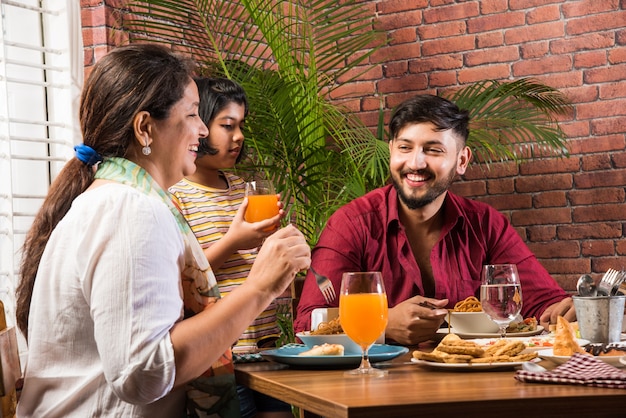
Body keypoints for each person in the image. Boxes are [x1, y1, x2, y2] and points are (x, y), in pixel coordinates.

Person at [15, 44, 310, 418]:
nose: (202, 130)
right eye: (191, 115)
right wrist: (261, 286)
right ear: (145, 128)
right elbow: (143, 375)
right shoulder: (129, 209)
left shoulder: (115, 200)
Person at [293, 94, 574, 345]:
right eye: (405, 147)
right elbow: (308, 321)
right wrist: (384, 322)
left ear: (462, 160)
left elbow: (545, 303)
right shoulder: (351, 224)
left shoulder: (487, 225)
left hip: (470, 387)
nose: (415, 163)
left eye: (433, 149)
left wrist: (568, 310)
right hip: (370, 389)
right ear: (391, 150)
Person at [169, 78, 292, 418]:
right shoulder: (177, 195)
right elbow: (183, 279)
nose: (238, 136)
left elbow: (259, 262)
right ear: (199, 126)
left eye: (241, 126)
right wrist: (233, 243)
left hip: (269, 349)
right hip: (223, 355)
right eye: (227, 126)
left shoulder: (244, 189)